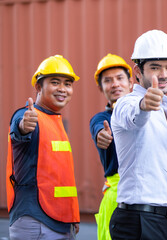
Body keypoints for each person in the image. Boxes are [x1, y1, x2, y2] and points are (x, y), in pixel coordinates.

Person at [109, 29, 167, 240]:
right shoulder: (127, 103)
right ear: (138, 71)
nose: (164, 74)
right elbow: (135, 117)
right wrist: (144, 106)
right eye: (155, 67)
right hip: (137, 221)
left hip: (163, 220)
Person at [6, 55, 80, 239]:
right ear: (38, 87)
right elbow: (19, 128)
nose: (62, 89)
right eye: (55, 82)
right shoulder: (28, 115)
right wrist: (23, 126)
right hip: (34, 220)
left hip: (61, 221)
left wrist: (72, 215)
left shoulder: (55, 121)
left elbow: (61, 177)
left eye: (67, 83)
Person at [90, 53, 133, 240]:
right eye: (108, 80)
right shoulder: (101, 119)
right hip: (117, 199)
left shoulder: (147, 113)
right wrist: (102, 135)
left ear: (131, 82)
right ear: (101, 88)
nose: (115, 84)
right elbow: (98, 129)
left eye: (119, 78)